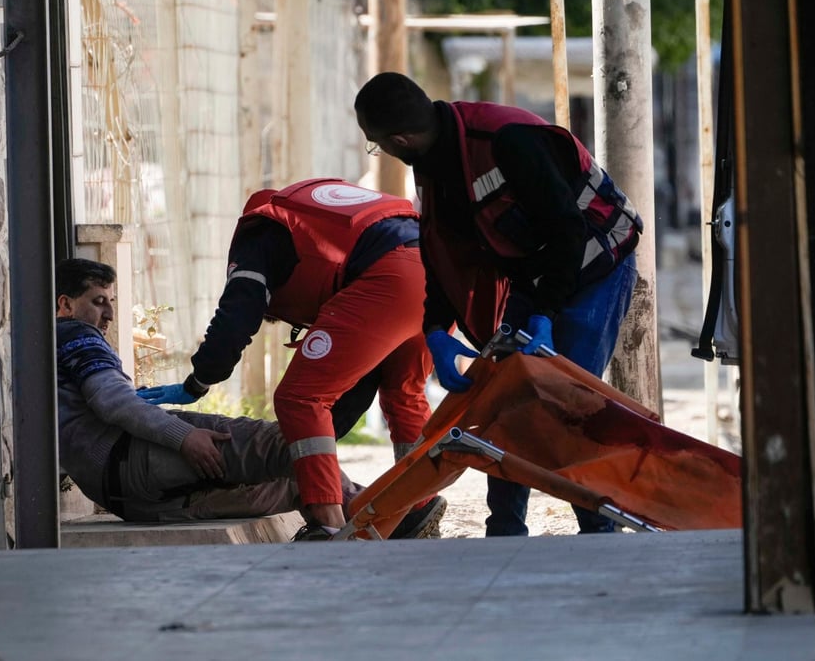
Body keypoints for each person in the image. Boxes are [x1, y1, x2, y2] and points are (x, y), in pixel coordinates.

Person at [354, 72, 643, 537]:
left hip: (595, 263)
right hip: (535, 270)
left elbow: (568, 232)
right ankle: (505, 531)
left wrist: (544, 316)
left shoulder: (507, 141)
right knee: (503, 401)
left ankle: (599, 533)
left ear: (399, 139)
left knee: (569, 406)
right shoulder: (431, 162)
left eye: (376, 145)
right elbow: (441, 252)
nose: (380, 152)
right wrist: (436, 330)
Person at [136, 178, 447, 540]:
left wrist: (199, 381)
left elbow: (236, 317)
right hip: (436, 271)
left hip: (389, 277)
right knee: (403, 393)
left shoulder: (260, 235)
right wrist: (305, 445)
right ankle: (418, 505)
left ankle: (327, 522)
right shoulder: (316, 221)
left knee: (299, 397)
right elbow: (352, 389)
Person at [56, 257, 356, 525]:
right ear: (65, 305)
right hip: (131, 461)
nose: (109, 313)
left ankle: (394, 521)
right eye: (98, 301)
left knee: (299, 485)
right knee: (290, 443)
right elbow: (112, 401)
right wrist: (183, 435)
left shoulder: (43, 352)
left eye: (111, 300)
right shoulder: (76, 333)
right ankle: (364, 533)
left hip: (132, 500)